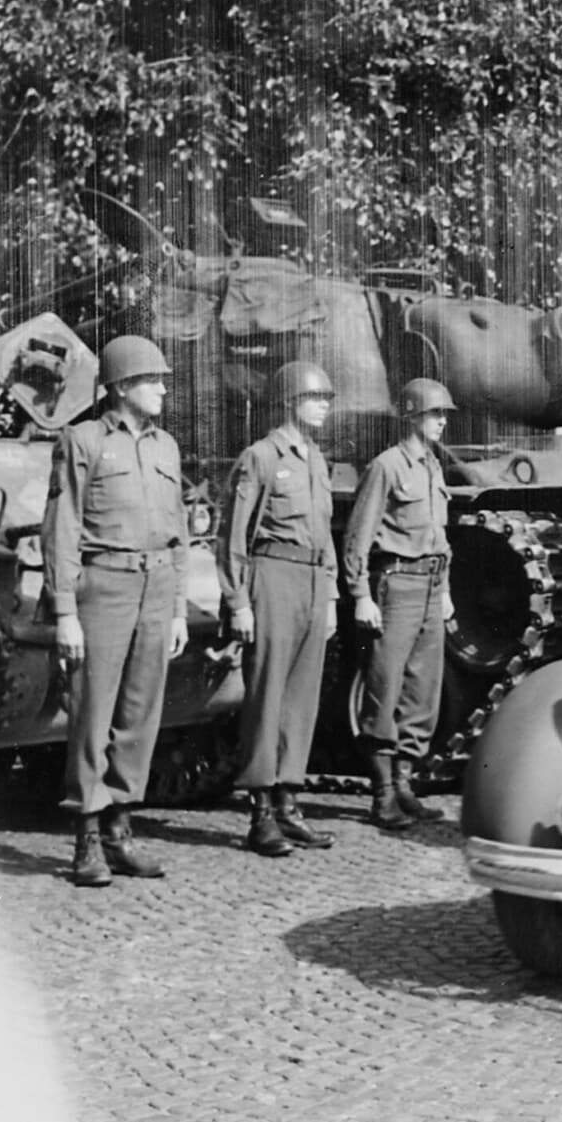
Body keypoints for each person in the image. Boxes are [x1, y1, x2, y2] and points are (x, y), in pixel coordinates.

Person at [42, 334, 190, 888]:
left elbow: (179, 532)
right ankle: (86, 837)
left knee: (139, 715)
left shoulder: (166, 447)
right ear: (123, 386)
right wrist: (65, 612)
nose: (163, 390)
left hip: (157, 587)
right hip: (103, 587)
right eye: (153, 381)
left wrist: (178, 609)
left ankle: (119, 831)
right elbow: (61, 529)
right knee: (92, 715)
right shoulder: (81, 441)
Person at [221, 360, 340, 857]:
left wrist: (330, 596)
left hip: (312, 581)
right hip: (272, 577)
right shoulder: (261, 457)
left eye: (327, 399)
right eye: (316, 398)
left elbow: (324, 535)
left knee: (301, 700)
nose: (324, 407)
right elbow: (233, 537)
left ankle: (289, 804)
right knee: (267, 696)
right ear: (290, 401)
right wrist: (238, 602)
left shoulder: (316, 461)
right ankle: (261, 813)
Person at [342, 376, 455, 832]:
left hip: (430, 584)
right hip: (397, 584)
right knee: (383, 686)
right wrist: (360, 594)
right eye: (434, 414)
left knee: (421, 691)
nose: (442, 421)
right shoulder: (387, 466)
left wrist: (445, 590)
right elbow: (358, 535)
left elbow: (440, 536)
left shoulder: (433, 466)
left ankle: (405, 781)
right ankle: (383, 793)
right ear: (411, 416)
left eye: (444, 414)